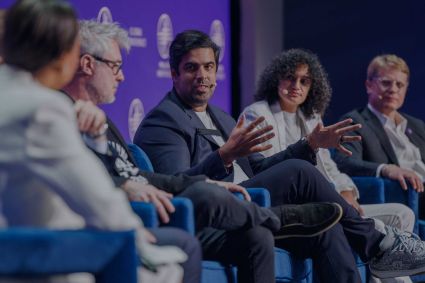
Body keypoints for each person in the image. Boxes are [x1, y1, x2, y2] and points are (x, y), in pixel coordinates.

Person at [61, 20, 344, 283]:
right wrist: (128, 185)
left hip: (219, 204)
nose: (121, 76)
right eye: (114, 66)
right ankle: (279, 218)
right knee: (208, 191)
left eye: (209, 67)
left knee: (257, 233)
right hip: (156, 213)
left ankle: (368, 238)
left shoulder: (221, 117)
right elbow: (83, 177)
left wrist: (203, 181)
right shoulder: (154, 120)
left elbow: (140, 174)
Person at [135, 29, 425, 281]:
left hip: (254, 199)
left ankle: (375, 247)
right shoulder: (163, 122)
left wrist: (310, 144)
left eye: (209, 67)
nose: (203, 76)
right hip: (220, 208)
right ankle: (377, 243)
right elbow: (178, 186)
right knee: (298, 171)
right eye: (191, 68)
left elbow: (261, 170)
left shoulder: (222, 117)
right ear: (174, 73)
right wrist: (223, 156)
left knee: (328, 224)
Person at [0, 1, 186, 282]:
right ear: (63, 54)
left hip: (19, 242)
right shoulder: (43, 107)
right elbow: (94, 196)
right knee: (166, 268)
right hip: (37, 251)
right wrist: (136, 234)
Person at [242, 48, 416, 283]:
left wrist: (346, 191)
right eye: (290, 78)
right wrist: (309, 145)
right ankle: (379, 247)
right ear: (276, 78)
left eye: (305, 81)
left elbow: (330, 167)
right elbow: (271, 171)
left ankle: (384, 253)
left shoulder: (312, 117)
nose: (297, 86)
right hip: (294, 204)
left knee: (400, 213)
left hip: (329, 199)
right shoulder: (258, 113)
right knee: (352, 223)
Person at [333, 54, 425, 218]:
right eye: (386, 83)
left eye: (400, 84)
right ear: (369, 85)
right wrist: (386, 169)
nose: (393, 89)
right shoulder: (355, 121)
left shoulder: (417, 125)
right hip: (409, 195)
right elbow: (345, 162)